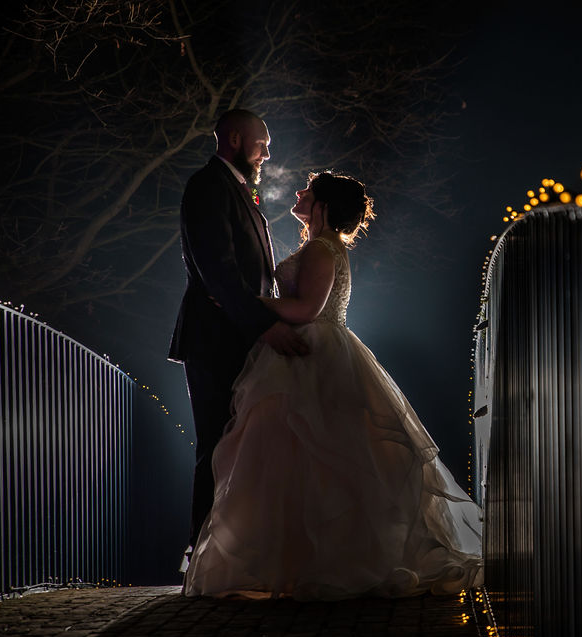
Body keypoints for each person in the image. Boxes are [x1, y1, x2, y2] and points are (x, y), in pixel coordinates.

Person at [182, 172, 483, 599]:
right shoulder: (319, 246)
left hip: (315, 356)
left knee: (313, 454)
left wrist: (247, 304)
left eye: (308, 190)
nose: (300, 193)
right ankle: (299, 561)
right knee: (300, 459)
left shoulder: (324, 249)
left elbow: (307, 308)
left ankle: (321, 562)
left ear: (322, 205)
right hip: (307, 352)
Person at [168, 109, 308, 573]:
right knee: (216, 443)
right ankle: (201, 554)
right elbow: (219, 272)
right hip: (214, 339)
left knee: (238, 444)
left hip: (237, 337)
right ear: (233, 138)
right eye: (261, 143)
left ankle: (230, 552)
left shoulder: (238, 189)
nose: (268, 153)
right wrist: (265, 325)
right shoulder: (208, 186)